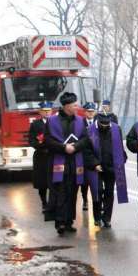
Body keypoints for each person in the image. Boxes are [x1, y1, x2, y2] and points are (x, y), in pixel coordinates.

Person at [44, 92, 92, 235]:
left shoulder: (80, 120)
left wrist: (75, 147)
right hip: (58, 160)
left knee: (72, 191)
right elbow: (48, 140)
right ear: (66, 106)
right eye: (74, 105)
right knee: (60, 191)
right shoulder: (52, 121)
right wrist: (64, 147)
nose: (76, 107)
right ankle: (60, 222)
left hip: (75, 161)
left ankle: (69, 221)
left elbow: (86, 138)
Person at [86, 112, 128, 228]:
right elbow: (86, 150)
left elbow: (120, 147)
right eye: (102, 124)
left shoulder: (116, 129)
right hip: (96, 167)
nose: (104, 126)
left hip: (111, 166)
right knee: (97, 191)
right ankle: (97, 217)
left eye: (107, 124)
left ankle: (107, 218)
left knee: (109, 193)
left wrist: (121, 160)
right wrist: (94, 164)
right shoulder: (89, 130)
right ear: (98, 122)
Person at [28, 101, 54, 216]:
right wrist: (40, 145)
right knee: (42, 182)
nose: (47, 112)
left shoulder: (56, 123)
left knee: (55, 181)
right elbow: (32, 140)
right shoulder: (35, 124)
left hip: (53, 155)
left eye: (49, 110)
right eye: (44, 110)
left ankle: (53, 203)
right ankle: (44, 202)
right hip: (41, 156)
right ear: (40, 112)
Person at [79, 102, 97, 213]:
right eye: (88, 111)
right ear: (84, 112)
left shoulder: (98, 123)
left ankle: (97, 201)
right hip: (82, 155)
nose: (90, 113)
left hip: (95, 155)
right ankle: (85, 199)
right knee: (84, 181)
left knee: (97, 181)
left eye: (92, 111)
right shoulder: (80, 123)